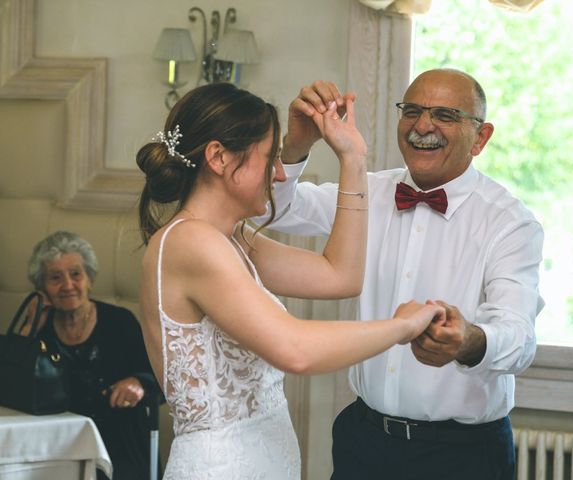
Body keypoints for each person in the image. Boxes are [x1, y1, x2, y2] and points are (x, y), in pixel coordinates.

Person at [135, 81, 444, 479]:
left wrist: (351, 157)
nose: (279, 172)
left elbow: (342, 276)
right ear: (218, 157)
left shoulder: (232, 238)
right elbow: (295, 350)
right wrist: (402, 326)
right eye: (269, 158)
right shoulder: (191, 241)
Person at [256, 69, 545, 480]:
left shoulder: (510, 223)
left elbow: (520, 339)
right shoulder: (367, 192)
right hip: (365, 440)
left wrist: (468, 341)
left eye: (445, 114)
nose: (423, 125)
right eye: (412, 110)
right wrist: (297, 144)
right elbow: (274, 209)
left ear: (480, 137)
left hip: (462, 456)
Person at [25, 230, 162, 480]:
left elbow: (160, 381)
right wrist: (29, 329)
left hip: (121, 451)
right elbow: (15, 390)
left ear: (89, 278)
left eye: (76, 274)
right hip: (58, 451)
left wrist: (138, 384)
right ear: (42, 287)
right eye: (55, 277)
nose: (67, 285)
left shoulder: (120, 323)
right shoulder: (39, 329)